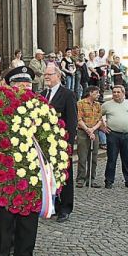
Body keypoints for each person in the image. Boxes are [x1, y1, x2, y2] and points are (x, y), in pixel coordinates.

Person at [0, 67, 45, 256]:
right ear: (11, 87)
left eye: (28, 85)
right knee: (3, 224)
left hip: (32, 174)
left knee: (28, 223)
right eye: (20, 85)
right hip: (7, 174)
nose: (25, 88)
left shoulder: (40, 108)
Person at [41, 65, 77, 222]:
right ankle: (52, 204)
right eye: (45, 74)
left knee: (65, 176)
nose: (46, 77)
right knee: (48, 175)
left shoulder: (68, 95)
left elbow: (72, 121)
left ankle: (66, 207)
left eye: (49, 74)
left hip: (61, 143)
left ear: (58, 76)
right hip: (44, 144)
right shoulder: (42, 95)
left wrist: (67, 145)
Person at [101, 85, 128, 189]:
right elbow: (98, 116)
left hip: (127, 135)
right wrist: (103, 127)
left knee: (127, 159)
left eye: (118, 92)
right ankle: (109, 181)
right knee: (111, 159)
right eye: (114, 92)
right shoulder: (107, 105)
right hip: (112, 134)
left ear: (123, 93)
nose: (115, 94)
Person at [76, 86, 103, 188]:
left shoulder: (97, 105)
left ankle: (91, 178)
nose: (98, 95)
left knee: (94, 157)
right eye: (96, 93)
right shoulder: (80, 103)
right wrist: (88, 130)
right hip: (83, 132)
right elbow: (79, 118)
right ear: (90, 93)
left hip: (94, 131)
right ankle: (80, 179)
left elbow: (100, 119)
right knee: (82, 156)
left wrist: (93, 129)